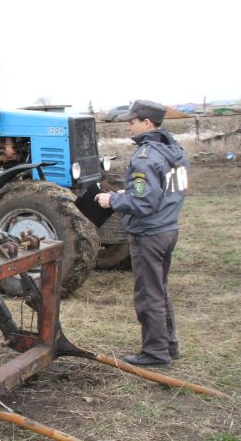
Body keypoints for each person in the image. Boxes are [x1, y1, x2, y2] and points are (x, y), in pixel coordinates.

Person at [95, 99, 189, 367]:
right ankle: (168, 345)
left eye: (132, 122)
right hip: (168, 228)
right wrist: (128, 193)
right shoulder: (174, 150)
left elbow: (143, 202)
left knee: (148, 294)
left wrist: (111, 201)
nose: (128, 127)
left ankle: (155, 354)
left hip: (149, 233)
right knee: (159, 289)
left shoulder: (146, 156)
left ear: (147, 123)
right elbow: (159, 191)